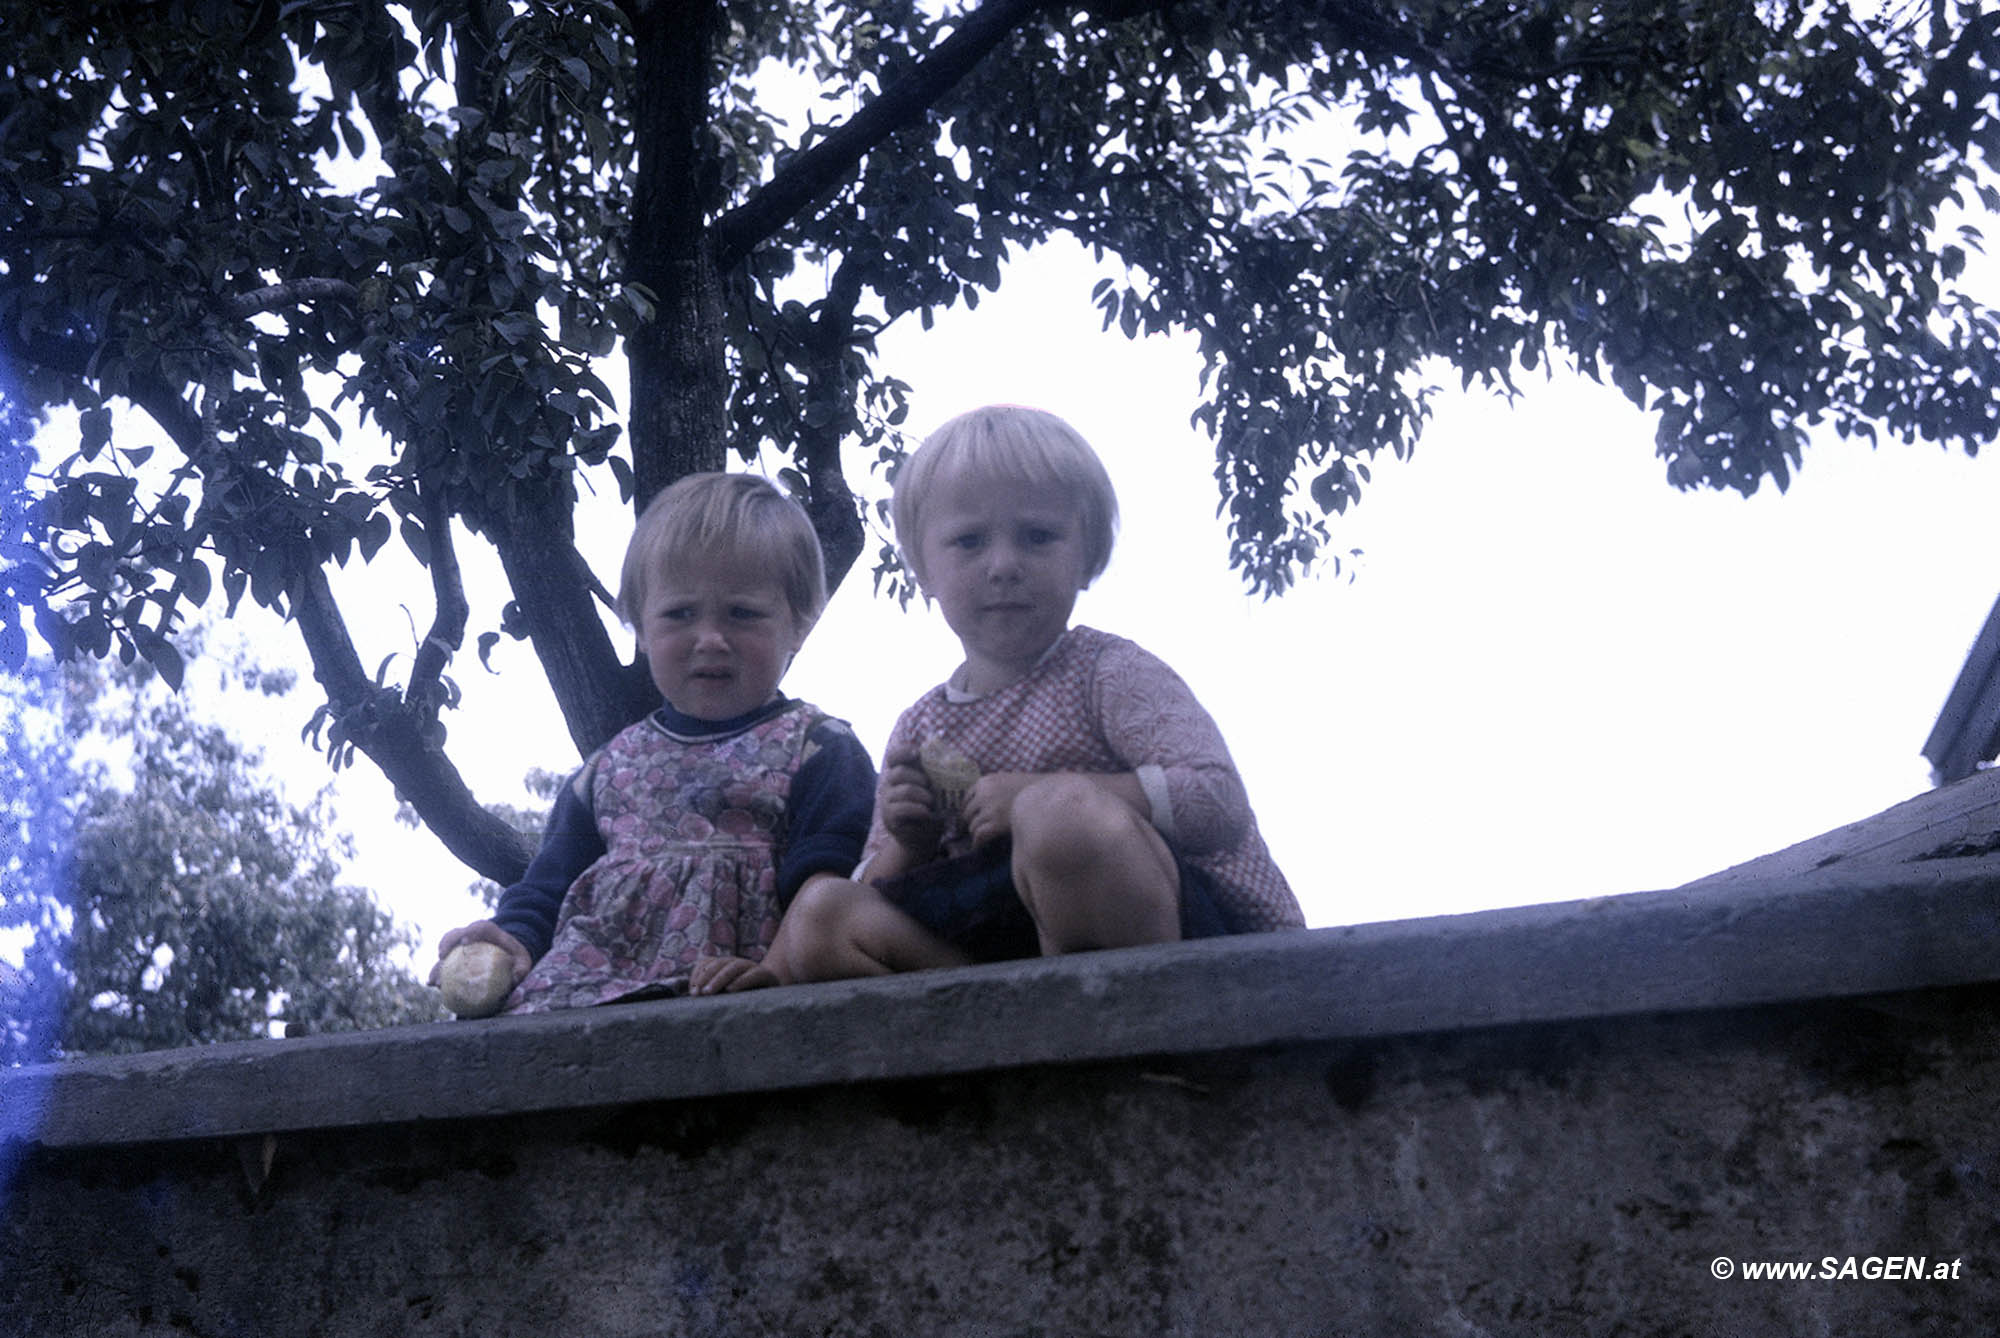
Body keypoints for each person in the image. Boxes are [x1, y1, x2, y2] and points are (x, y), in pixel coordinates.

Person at [764, 404, 1304, 982]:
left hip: (1166, 936)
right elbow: (877, 887)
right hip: (992, 951)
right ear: (922, 567)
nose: (1003, 564)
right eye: (969, 541)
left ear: (1087, 555)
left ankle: (1135, 1027)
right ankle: (998, 1026)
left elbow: (1218, 803)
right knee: (822, 913)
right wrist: (909, 843)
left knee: (1061, 820)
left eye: (1038, 537)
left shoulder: (1109, 672)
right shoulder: (921, 725)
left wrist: (1038, 795)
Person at [429, 472, 876, 1011]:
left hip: (741, 1000)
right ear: (641, 627)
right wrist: (510, 939)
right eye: (680, 614)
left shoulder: (819, 749)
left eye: (742, 613)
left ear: (799, 624)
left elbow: (827, 889)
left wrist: (773, 974)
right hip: (586, 1005)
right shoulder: (608, 769)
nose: (710, 638)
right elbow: (546, 891)